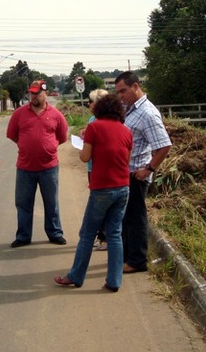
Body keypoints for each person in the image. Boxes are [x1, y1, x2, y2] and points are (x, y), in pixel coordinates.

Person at [54, 93, 132, 292]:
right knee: (115, 233)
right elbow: (127, 159)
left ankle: (76, 276)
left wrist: (85, 143)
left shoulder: (94, 127)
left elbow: (84, 157)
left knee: (87, 234)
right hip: (123, 187)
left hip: (102, 187)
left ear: (99, 109)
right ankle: (114, 281)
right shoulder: (126, 131)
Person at [114, 71, 172, 273]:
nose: (121, 96)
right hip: (124, 173)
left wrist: (148, 169)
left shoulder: (148, 113)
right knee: (126, 217)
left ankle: (137, 261)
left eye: (124, 91)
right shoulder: (128, 109)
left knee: (136, 218)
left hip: (136, 175)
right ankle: (127, 256)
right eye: (118, 92)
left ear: (136, 86)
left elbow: (164, 145)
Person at [6, 79, 69, 247]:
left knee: (51, 202)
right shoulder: (19, 113)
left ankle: (55, 233)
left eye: (36, 93)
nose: (32, 96)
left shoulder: (56, 115)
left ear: (45, 93)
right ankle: (23, 236)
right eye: (31, 93)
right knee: (23, 204)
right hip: (25, 167)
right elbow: (12, 134)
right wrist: (26, 145)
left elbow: (62, 137)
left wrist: (48, 147)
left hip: (49, 168)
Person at [84, 88, 109, 250]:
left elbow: (86, 154)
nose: (89, 104)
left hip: (100, 168)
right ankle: (101, 236)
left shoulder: (107, 122)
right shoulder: (92, 119)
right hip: (92, 167)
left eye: (91, 101)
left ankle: (104, 238)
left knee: (101, 205)